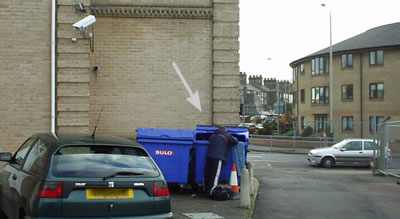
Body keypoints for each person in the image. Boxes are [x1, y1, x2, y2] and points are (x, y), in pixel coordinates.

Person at [204, 126, 238, 197]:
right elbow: (235, 141)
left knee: (208, 173)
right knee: (215, 175)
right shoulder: (225, 135)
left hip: (209, 156)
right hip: (218, 157)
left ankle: (206, 190)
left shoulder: (213, 135)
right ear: (225, 130)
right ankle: (212, 192)